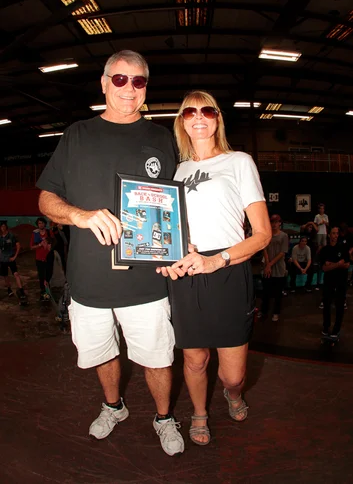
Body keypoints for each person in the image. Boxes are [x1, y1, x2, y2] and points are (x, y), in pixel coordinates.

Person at [36, 50, 184, 456]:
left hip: (147, 281)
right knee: (103, 352)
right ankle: (113, 406)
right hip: (90, 281)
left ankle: (164, 417)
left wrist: (179, 246)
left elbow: (176, 205)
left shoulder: (161, 138)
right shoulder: (77, 135)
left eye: (138, 82)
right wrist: (80, 215)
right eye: (119, 80)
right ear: (103, 84)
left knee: (157, 357)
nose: (128, 89)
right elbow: (46, 199)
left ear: (145, 89)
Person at [157, 90, 271, 446]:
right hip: (189, 272)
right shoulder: (178, 170)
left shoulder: (239, 162)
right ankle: (199, 413)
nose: (199, 117)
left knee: (233, 375)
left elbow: (263, 235)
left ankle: (233, 394)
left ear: (218, 118)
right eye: (189, 112)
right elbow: (170, 228)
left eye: (207, 110)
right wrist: (169, 257)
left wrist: (217, 259)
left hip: (228, 270)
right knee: (194, 360)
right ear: (182, 122)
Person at [320, 226, 352, 340]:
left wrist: (331, 265)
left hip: (341, 282)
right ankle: (326, 327)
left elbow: (347, 264)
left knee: (339, 306)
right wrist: (338, 264)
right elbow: (324, 268)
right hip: (329, 281)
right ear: (329, 234)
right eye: (333, 233)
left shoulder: (343, 248)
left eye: (337, 233)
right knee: (327, 305)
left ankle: (336, 329)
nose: (335, 236)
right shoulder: (325, 250)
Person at [258, 214, 289, 322]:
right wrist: (267, 264)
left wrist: (270, 264)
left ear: (280, 223)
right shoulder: (268, 235)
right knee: (266, 291)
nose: (274, 224)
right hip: (268, 268)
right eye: (272, 222)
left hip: (279, 268)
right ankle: (264, 311)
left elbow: (282, 253)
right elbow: (264, 249)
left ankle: (276, 313)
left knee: (277, 293)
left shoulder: (284, 236)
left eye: (276, 222)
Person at [30, 217, 54, 300]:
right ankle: (43, 291)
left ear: (45, 224)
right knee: (41, 275)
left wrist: (48, 245)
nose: (41, 225)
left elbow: (54, 242)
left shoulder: (49, 232)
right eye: (39, 223)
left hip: (49, 257)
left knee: (49, 273)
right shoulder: (35, 234)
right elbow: (31, 247)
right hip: (39, 258)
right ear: (37, 224)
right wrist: (40, 245)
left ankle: (48, 289)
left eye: (42, 223)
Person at [0, 221, 26, 299]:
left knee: (16, 274)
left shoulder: (11, 236)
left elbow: (18, 245)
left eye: (4, 226)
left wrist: (15, 256)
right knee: (5, 276)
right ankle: (9, 289)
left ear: (6, 227)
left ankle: (21, 290)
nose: (3, 228)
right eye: (1, 226)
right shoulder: (0, 237)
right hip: (2, 260)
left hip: (11, 258)